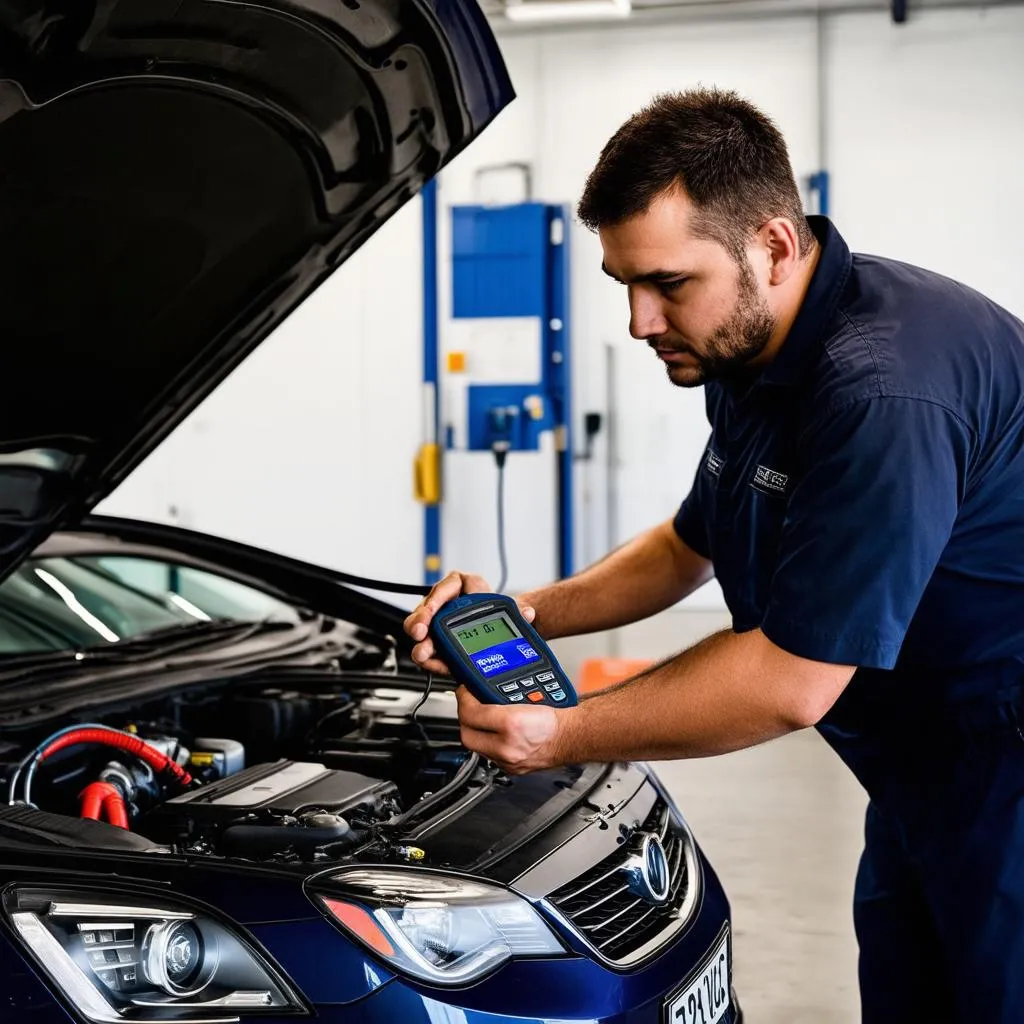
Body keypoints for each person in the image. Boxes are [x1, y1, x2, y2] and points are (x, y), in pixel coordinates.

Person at [404, 87, 1024, 1021]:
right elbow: (689, 542)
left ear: (773, 245)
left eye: (668, 284)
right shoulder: (751, 350)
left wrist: (562, 734)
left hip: (1005, 765)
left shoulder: (885, 394)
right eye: (625, 286)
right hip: (923, 770)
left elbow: (789, 681)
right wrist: (529, 617)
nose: (640, 323)